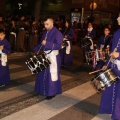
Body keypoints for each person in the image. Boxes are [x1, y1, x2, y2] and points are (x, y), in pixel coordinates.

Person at [33, 16, 63, 100]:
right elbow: (41, 43)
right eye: (44, 24)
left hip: (53, 56)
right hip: (45, 55)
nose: (45, 26)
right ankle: (41, 90)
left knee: (51, 76)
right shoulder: (45, 32)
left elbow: (58, 46)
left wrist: (47, 44)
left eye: (47, 24)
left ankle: (51, 92)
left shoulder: (58, 33)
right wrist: (35, 49)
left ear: (52, 23)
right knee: (41, 73)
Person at [99, 15, 120, 120]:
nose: (117, 19)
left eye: (119, 17)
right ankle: (109, 109)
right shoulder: (116, 33)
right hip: (114, 64)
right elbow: (113, 51)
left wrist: (119, 55)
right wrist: (106, 64)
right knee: (109, 88)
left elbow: (117, 53)